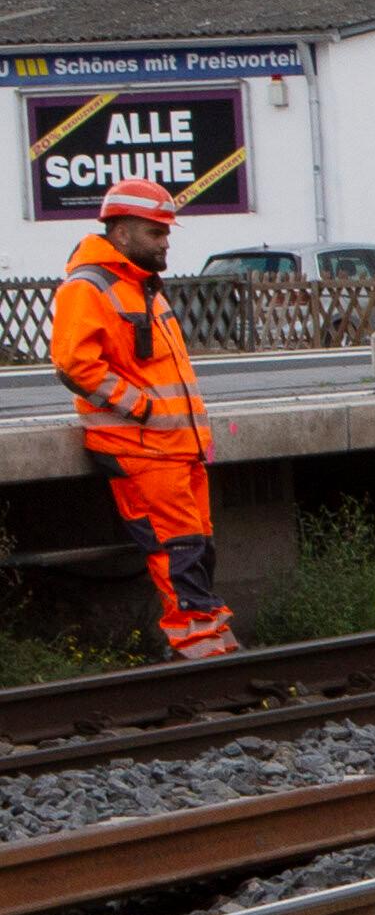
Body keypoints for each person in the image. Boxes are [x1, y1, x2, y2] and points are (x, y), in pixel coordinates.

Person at [51, 178, 233, 661]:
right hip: (143, 447)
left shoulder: (141, 287)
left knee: (196, 544)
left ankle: (211, 637)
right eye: (156, 232)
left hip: (177, 447)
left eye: (166, 231)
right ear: (121, 231)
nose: (165, 241)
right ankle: (196, 644)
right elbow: (74, 365)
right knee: (177, 548)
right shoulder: (89, 287)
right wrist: (145, 409)